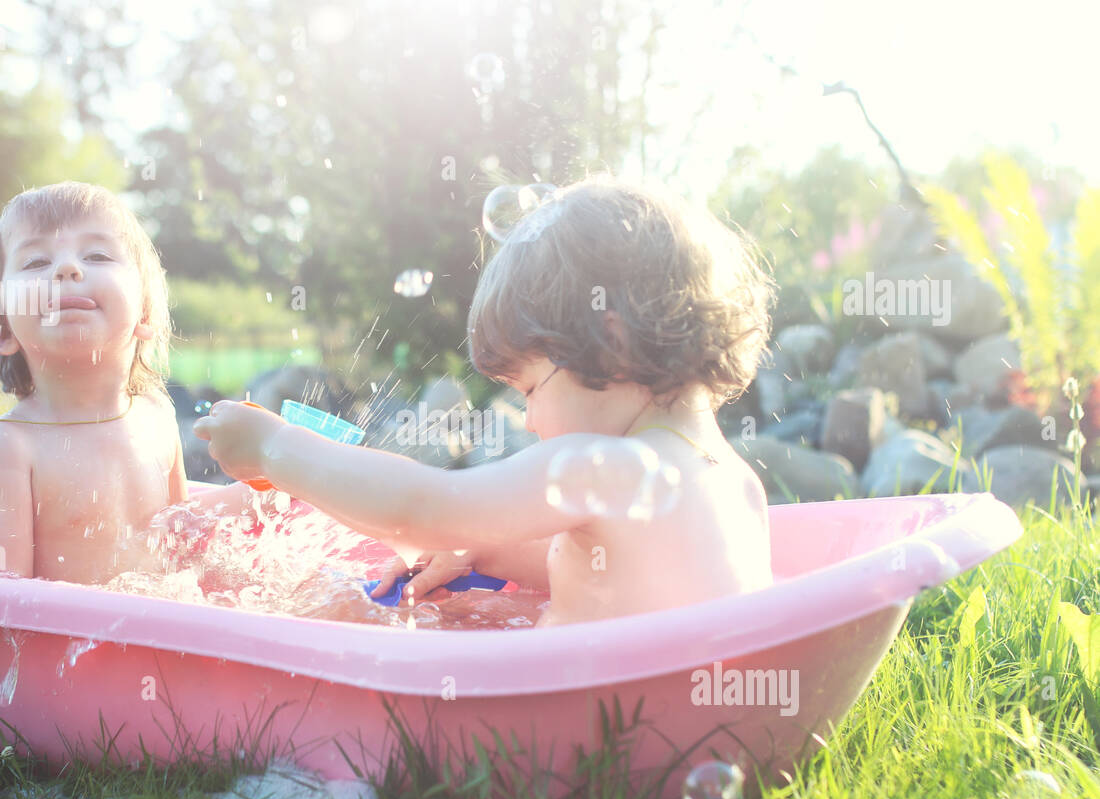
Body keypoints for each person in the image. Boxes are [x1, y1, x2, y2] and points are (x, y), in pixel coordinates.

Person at [195, 177, 775, 625]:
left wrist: (274, 448)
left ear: (613, 345)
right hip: (683, 717)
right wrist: (483, 554)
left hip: (589, 732)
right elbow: (607, 565)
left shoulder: (599, 468)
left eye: (528, 389)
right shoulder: (731, 478)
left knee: (369, 626)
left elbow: (422, 506)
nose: (528, 417)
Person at [0, 181, 214, 584]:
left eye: (96, 255)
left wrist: (269, 486)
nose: (67, 269)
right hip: (68, 648)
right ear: (2, 327)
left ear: (145, 313)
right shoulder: (9, 446)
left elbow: (185, 544)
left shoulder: (158, 416)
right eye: (35, 263)